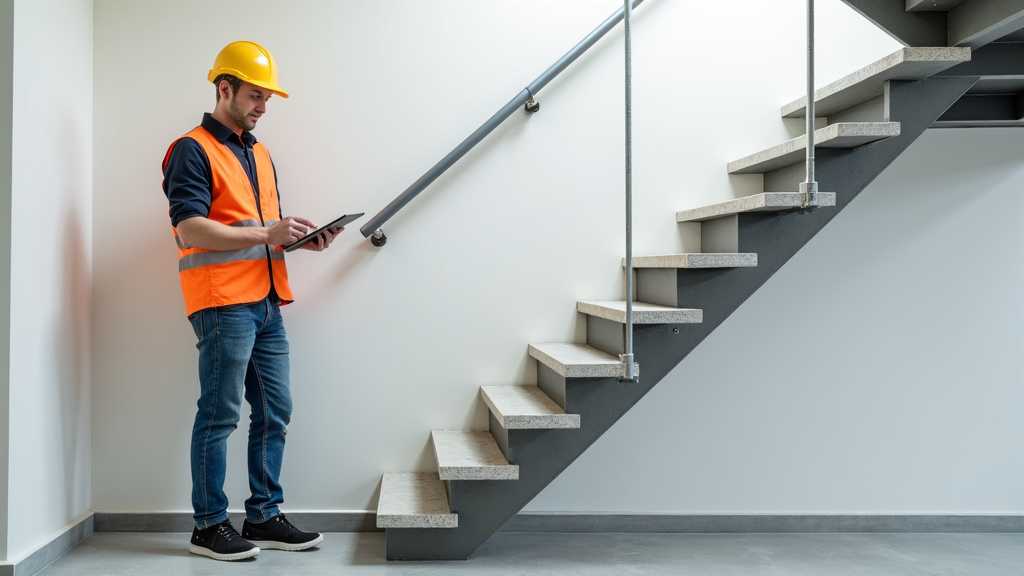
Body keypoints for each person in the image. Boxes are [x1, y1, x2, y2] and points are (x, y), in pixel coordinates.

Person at [161, 40, 338, 562]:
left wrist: (297, 240)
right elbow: (191, 226)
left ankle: (262, 514)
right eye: (256, 95)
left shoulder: (257, 151)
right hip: (222, 304)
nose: (264, 106)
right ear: (225, 88)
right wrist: (267, 233)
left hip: (265, 302)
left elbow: (258, 231)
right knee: (218, 415)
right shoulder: (191, 149)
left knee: (275, 411)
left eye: (268, 98)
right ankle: (208, 526)